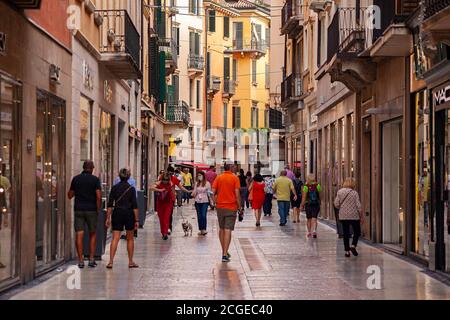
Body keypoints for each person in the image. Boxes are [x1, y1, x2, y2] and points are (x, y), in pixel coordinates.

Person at [68, 160, 102, 268]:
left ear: (83, 168)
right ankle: (91, 259)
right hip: (91, 210)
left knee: (79, 234)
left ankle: (81, 260)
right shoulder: (95, 180)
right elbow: (99, 196)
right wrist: (98, 208)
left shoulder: (76, 179)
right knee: (92, 234)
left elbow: (70, 195)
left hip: (79, 210)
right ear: (92, 168)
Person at [105, 168, 139, 268]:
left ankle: (111, 261)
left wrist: (108, 218)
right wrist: (137, 220)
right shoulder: (131, 189)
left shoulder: (114, 188)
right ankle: (130, 261)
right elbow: (135, 206)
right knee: (130, 239)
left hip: (117, 213)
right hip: (129, 214)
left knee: (115, 238)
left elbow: (110, 205)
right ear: (129, 177)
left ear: (119, 176)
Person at [212, 163, 241, 262]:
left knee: (222, 228)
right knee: (228, 229)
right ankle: (224, 254)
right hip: (231, 206)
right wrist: (240, 207)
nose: (235, 168)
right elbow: (237, 194)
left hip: (220, 207)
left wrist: (214, 202)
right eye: (234, 167)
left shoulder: (219, 178)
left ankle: (224, 251)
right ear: (231, 168)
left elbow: (213, 191)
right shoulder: (235, 178)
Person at [334, 178, 363, 257]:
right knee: (357, 232)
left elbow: (336, 204)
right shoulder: (354, 193)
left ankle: (347, 251)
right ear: (353, 184)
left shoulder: (340, 192)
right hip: (354, 216)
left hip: (343, 216)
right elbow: (358, 206)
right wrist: (361, 215)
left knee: (346, 233)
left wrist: (342, 207)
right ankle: (353, 245)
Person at [151, 173, 176, 240]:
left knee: (166, 218)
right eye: (164, 180)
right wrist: (159, 190)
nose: (165, 181)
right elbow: (151, 188)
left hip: (168, 203)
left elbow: (173, 191)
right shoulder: (159, 183)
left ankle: (165, 233)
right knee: (161, 218)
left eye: (167, 180)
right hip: (160, 203)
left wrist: (174, 200)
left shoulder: (170, 183)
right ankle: (163, 233)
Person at [192, 171, 211, 236]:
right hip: (197, 201)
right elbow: (194, 191)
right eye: (198, 175)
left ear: (203, 176)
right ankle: (201, 229)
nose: (199, 176)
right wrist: (192, 194)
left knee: (203, 215)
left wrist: (211, 201)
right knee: (199, 216)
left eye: (200, 175)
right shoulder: (196, 183)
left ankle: (204, 229)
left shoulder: (207, 183)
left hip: (205, 201)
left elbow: (209, 192)